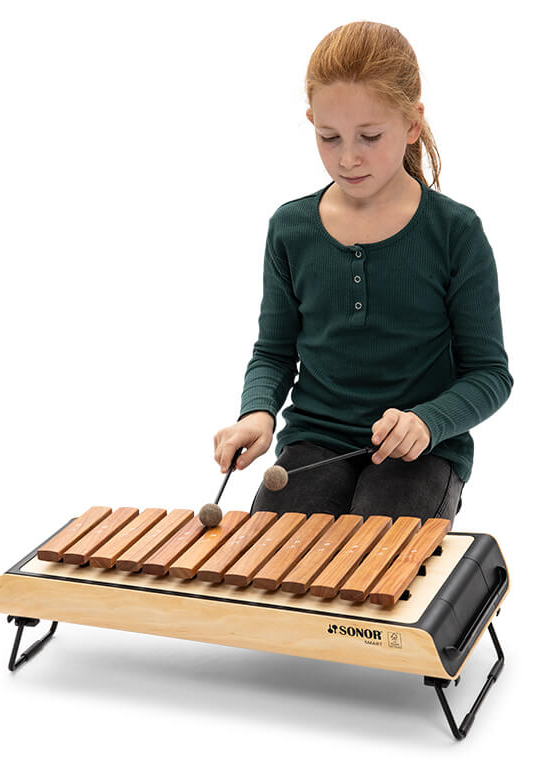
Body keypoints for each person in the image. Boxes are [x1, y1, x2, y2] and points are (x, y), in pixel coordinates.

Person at [213, 20, 514, 523]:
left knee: (378, 558)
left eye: (370, 136)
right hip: (314, 441)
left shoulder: (456, 232)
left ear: (412, 123)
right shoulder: (291, 228)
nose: (348, 158)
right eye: (328, 137)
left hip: (422, 452)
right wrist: (257, 412)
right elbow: (273, 352)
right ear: (311, 121)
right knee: (275, 559)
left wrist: (428, 421)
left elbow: (489, 374)